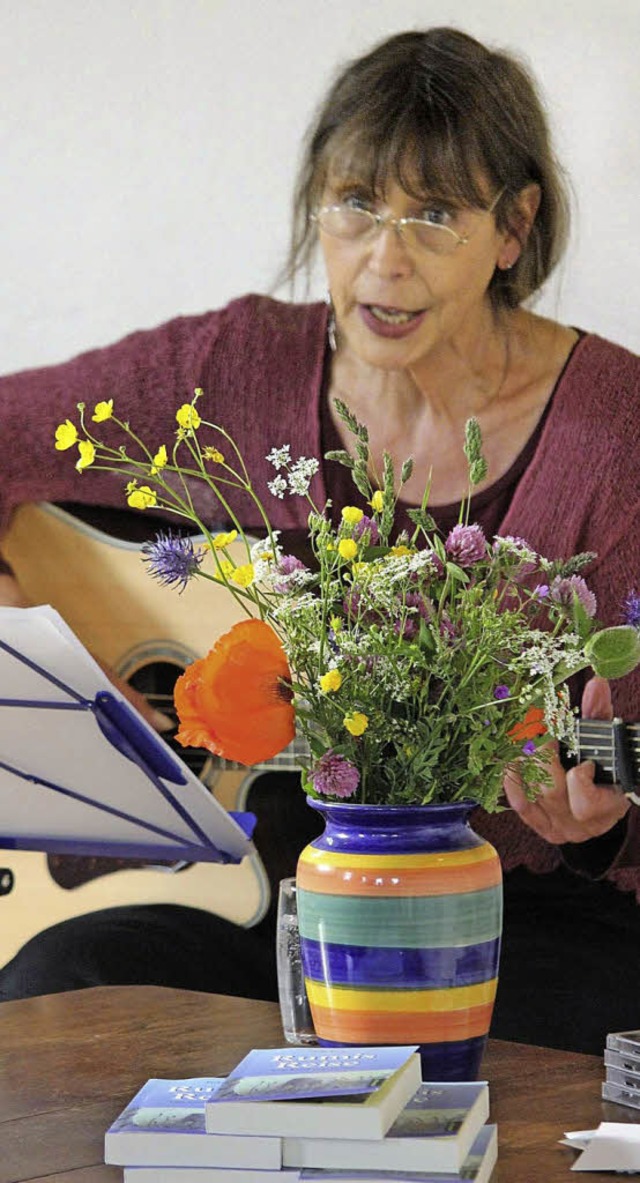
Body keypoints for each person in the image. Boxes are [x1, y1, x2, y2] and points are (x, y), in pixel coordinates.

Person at [0, 26, 639, 1054]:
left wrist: (600, 822)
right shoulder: (233, 364)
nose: (384, 261)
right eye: (356, 206)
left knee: (520, 1048)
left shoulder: (614, 434)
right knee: (54, 992)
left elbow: (615, 766)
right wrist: (37, 647)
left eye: (434, 215)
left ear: (513, 226)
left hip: (518, 917)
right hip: (264, 896)